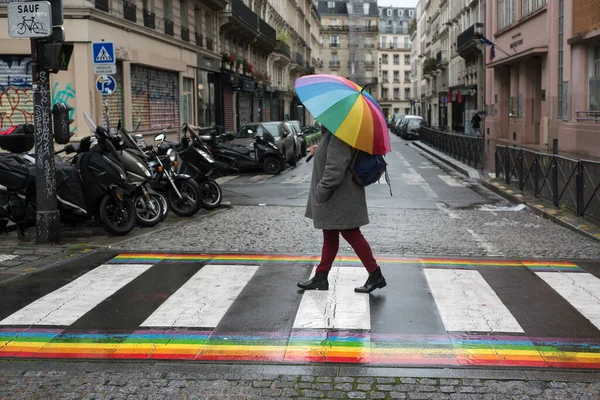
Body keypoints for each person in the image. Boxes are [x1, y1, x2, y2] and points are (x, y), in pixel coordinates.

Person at [297, 127, 386, 294]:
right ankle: (321, 277)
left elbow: (335, 168)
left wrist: (321, 190)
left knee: (351, 233)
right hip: (338, 195)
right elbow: (332, 157)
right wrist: (320, 150)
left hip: (340, 195)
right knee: (330, 233)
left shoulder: (340, 133)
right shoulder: (332, 133)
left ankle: (375, 274)